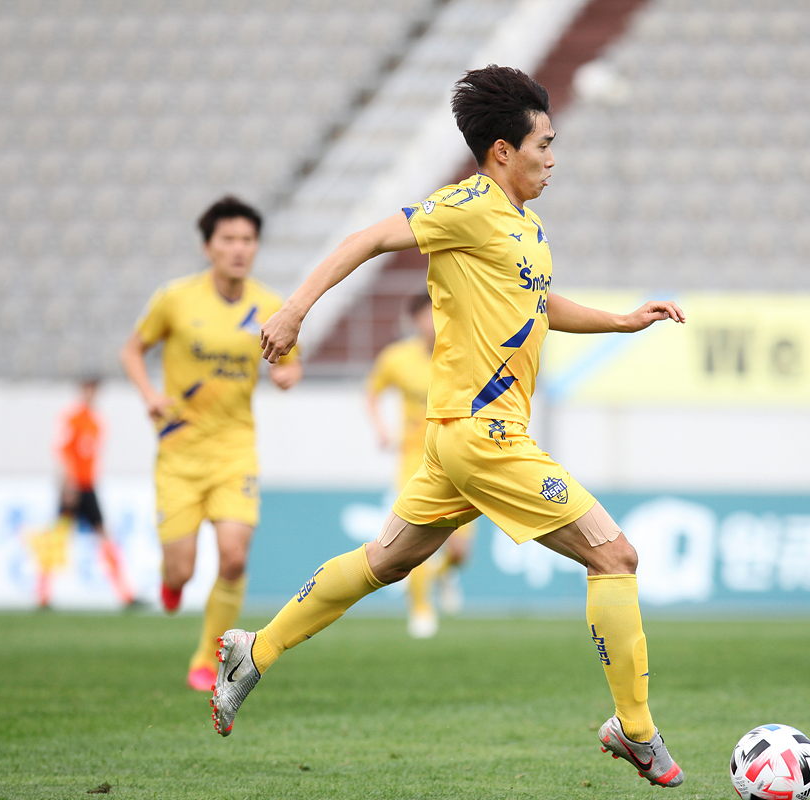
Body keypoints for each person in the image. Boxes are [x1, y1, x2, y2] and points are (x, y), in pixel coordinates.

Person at [209, 66, 688, 788]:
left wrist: (620, 321)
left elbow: (537, 304)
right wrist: (294, 309)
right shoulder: (466, 204)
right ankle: (637, 730)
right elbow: (367, 239)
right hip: (483, 434)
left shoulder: (526, 226)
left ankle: (256, 650)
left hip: (456, 439)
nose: (553, 158)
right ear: (503, 151)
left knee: (385, 561)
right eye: (544, 145)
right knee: (615, 558)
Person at [120, 196, 303, 691]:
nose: (239, 248)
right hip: (179, 454)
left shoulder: (270, 305)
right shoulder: (175, 299)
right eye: (229, 239)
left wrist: (288, 374)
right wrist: (150, 395)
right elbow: (132, 351)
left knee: (234, 557)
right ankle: (172, 583)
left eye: (248, 239)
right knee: (181, 570)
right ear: (208, 247)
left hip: (234, 451)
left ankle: (206, 658)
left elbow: (290, 360)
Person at [366, 292, 473, 639]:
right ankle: (421, 609)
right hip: (415, 457)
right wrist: (382, 429)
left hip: (459, 455)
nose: (435, 322)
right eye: (429, 315)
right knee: (415, 536)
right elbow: (372, 392)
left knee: (460, 552)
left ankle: (444, 573)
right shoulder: (397, 358)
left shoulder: (465, 353)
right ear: (415, 320)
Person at [29, 377, 135, 609]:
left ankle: (126, 593)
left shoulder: (96, 421)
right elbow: (63, 451)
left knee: (102, 535)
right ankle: (42, 594)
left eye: (94, 389)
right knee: (58, 537)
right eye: (88, 389)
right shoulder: (72, 419)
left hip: (88, 486)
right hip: (74, 486)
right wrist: (68, 483)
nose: (91, 393)